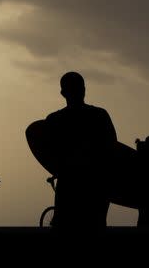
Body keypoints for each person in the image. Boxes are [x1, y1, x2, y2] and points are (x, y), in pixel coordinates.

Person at [45, 71, 117, 229]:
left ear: (63, 93)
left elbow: (49, 154)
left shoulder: (54, 120)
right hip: (95, 188)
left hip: (70, 187)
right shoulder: (100, 115)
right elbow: (112, 150)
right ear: (84, 89)